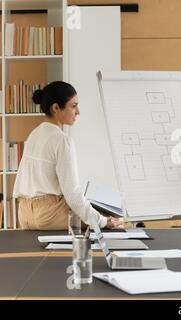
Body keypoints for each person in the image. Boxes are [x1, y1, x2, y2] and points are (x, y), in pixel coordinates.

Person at [13, 81, 122, 230]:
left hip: (24, 215)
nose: (78, 112)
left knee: (93, 212)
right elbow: (72, 194)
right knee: (114, 219)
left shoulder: (34, 134)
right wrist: (102, 221)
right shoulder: (62, 140)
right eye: (74, 106)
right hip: (49, 216)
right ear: (56, 108)